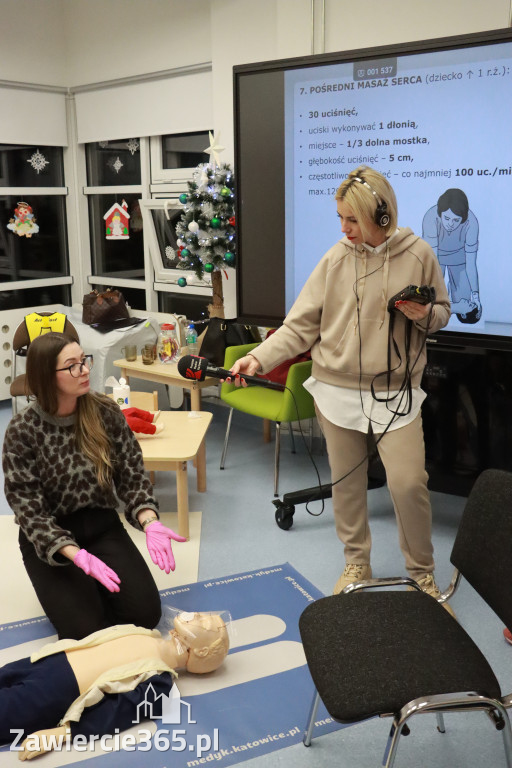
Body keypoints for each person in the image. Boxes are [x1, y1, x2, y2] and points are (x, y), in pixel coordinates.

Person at [229, 166, 453, 609]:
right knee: (346, 486)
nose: (344, 229)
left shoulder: (419, 253)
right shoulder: (335, 258)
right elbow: (299, 327)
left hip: (395, 394)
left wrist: (419, 314)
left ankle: (421, 574)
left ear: (380, 216)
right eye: (340, 219)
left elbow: (441, 314)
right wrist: (259, 357)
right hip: (336, 390)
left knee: (408, 483)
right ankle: (356, 562)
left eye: (352, 219)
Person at [2, 332, 186, 641]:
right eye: (72, 366)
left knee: (145, 615)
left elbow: (132, 475)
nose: (85, 370)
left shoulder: (104, 412)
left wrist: (149, 520)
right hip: (50, 538)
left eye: (83, 360)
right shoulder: (22, 431)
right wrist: (76, 555)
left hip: (101, 525)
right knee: (85, 631)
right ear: (47, 375)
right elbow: (29, 510)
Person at [0, 611, 229, 758]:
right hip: (46, 661)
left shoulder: (160, 684)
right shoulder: (147, 633)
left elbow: (117, 713)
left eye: (203, 622)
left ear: (202, 650)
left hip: (52, 694)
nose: (197, 615)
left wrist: (63, 732)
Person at [422, 188, 481, 323]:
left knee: (465, 311)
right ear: (440, 214)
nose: (450, 224)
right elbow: (431, 261)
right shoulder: (430, 217)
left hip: (459, 258)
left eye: (456, 220)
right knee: (433, 299)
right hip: (436, 258)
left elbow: (471, 263)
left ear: (463, 218)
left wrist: (476, 297)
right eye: (447, 218)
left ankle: (454, 292)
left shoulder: (472, 222)